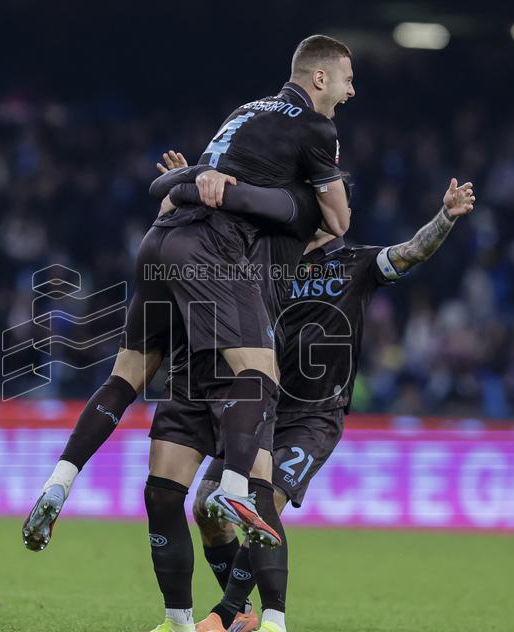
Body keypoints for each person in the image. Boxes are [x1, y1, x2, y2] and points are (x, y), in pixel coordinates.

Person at [26, 35, 354, 558]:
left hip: (159, 239)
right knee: (261, 374)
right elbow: (338, 221)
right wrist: (221, 184)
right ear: (320, 78)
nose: (351, 91)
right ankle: (234, 489)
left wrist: (193, 176)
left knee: (125, 377)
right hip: (205, 250)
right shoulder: (315, 130)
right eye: (347, 79)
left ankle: (59, 481)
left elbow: (180, 187)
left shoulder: (245, 112)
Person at [148, 165, 475, 632]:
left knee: (263, 505)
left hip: (314, 417)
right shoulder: (267, 260)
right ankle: (242, 611)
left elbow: (411, 252)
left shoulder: (358, 264)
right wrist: (189, 188)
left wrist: (445, 217)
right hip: (260, 409)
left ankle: (230, 613)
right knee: (207, 508)